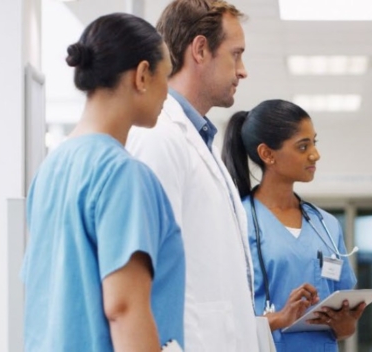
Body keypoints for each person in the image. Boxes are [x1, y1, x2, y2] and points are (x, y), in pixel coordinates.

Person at [23, 13, 184, 351]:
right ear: (142, 75)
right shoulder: (123, 174)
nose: (167, 93)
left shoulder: (50, 170)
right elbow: (124, 309)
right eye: (166, 77)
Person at [124, 0, 261, 350]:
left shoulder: (199, 139)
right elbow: (142, 274)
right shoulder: (159, 137)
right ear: (200, 50)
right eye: (236, 54)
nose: (242, 70)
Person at [222, 101, 366, 351]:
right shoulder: (236, 222)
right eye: (303, 146)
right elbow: (222, 318)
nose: (315, 154)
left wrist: (345, 324)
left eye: (314, 143)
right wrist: (281, 317)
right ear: (267, 154)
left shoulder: (326, 225)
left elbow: (345, 328)